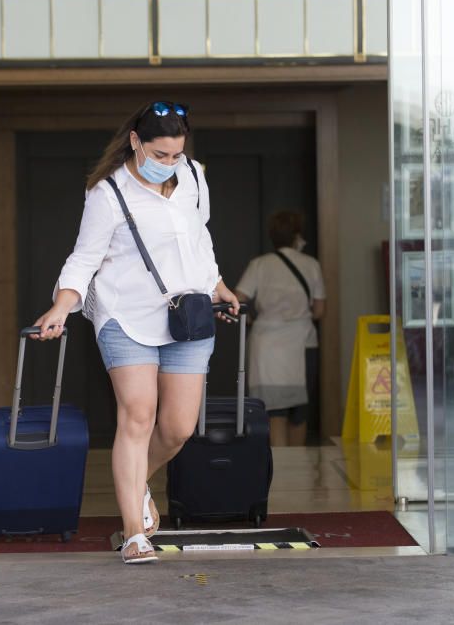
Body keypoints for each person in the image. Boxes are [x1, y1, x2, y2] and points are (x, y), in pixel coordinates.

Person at [31, 101, 240, 565]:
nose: (169, 163)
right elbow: (84, 257)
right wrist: (63, 305)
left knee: (179, 428)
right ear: (135, 142)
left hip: (188, 314)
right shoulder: (108, 193)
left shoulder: (194, 178)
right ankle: (133, 534)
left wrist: (219, 286)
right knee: (138, 415)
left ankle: (135, 483)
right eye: (160, 154)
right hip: (125, 315)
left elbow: (200, 237)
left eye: (176, 154)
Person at [235, 210, 325, 447]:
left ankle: (280, 472)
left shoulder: (259, 265)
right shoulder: (311, 264)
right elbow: (319, 311)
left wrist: (256, 319)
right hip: (302, 343)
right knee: (299, 411)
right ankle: (299, 468)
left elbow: (238, 299)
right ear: (298, 237)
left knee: (273, 411)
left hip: (266, 346)